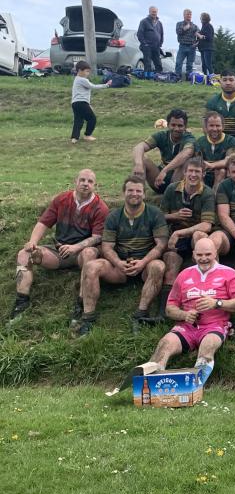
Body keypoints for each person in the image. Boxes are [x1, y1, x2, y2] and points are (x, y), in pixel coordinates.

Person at [129, 238, 235, 388]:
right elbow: (170, 308)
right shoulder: (184, 274)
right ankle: (150, 388)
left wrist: (216, 303)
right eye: (200, 255)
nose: (203, 258)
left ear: (215, 253)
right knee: (164, 344)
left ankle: (194, 388)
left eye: (208, 254)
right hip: (187, 327)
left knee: (208, 346)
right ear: (194, 255)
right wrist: (184, 315)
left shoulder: (229, 273)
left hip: (214, 325)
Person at [11, 169, 108, 322]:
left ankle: (81, 304)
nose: (85, 184)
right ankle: (21, 302)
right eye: (82, 180)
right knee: (24, 254)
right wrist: (33, 242)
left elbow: (97, 237)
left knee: (90, 252)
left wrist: (76, 247)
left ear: (95, 185)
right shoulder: (62, 199)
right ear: (75, 181)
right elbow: (43, 222)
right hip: (59, 252)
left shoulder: (100, 207)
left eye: (90, 181)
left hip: (82, 254)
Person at [76, 176, 168, 336]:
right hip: (119, 266)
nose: (135, 194)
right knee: (91, 267)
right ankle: (88, 317)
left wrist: (143, 262)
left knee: (159, 266)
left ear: (144, 194)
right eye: (130, 190)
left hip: (144, 265)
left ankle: (141, 314)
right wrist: (118, 263)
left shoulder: (154, 213)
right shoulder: (114, 216)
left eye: (138, 190)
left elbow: (161, 244)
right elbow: (107, 246)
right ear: (124, 193)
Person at [159, 157, 215, 316]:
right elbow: (160, 216)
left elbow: (207, 224)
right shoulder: (172, 189)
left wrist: (179, 232)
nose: (193, 174)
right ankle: (164, 310)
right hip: (175, 236)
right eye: (190, 170)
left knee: (200, 235)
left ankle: (206, 286)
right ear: (184, 172)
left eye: (197, 171)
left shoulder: (208, 193)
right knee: (171, 260)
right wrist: (175, 216)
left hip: (192, 237)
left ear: (203, 174)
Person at [132, 108, 196, 193]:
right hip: (159, 180)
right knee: (142, 159)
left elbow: (187, 153)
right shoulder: (161, 135)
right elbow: (139, 147)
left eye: (180, 126)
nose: (176, 129)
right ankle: (137, 194)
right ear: (168, 125)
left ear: (185, 126)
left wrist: (165, 170)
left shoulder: (189, 138)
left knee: (185, 162)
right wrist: (138, 164)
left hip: (178, 179)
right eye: (173, 125)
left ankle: (174, 194)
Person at [194, 112, 235, 187]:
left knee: (220, 171)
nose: (215, 129)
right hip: (205, 173)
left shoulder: (232, 141)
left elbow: (229, 160)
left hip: (224, 176)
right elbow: (198, 160)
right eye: (211, 126)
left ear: (223, 127)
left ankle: (215, 196)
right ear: (206, 127)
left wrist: (212, 165)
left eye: (218, 126)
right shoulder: (200, 141)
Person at [70, 60, 111, 144]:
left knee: (78, 120)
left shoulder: (76, 79)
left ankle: (74, 138)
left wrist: (88, 104)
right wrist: (106, 85)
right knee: (92, 119)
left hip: (75, 103)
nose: (88, 73)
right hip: (81, 103)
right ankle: (87, 135)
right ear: (80, 71)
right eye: (87, 71)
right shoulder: (83, 80)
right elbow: (93, 86)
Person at [136, 6, 164, 74]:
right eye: (153, 12)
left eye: (155, 12)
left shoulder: (159, 23)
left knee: (158, 62)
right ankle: (147, 76)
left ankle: (158, 76)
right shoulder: (144, 21)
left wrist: (160, 44)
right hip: (147, 46)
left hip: (156, 46)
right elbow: (139, 34)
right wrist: (144, 43)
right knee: (147, 62)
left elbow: (162, 34)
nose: (154, 13)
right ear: (149, 12)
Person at [174, 9, 199, 79]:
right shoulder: (179, 24)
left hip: (192, 47)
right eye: (187, 14)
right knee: (178, 62)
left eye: (190, 14)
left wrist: (196, 44)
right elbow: (178, 32)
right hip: (182, 46)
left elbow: (199, 35)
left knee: (190, 64)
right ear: (184, 15)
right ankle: (177, 77)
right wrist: (185, 28)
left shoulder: (195, 26)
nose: (189, 16)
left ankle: (189, 78)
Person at [197, 12, 214, 76]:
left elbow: (209, 37)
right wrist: (197, 43)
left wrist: (201, 36)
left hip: (207, 48)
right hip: (202, 48)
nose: (200, 19)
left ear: (204, 18)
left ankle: (213, 79)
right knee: (204, 64)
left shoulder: (208, 26)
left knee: (208, 64)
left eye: (201, 17)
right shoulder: (203, 26)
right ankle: (205, 78)